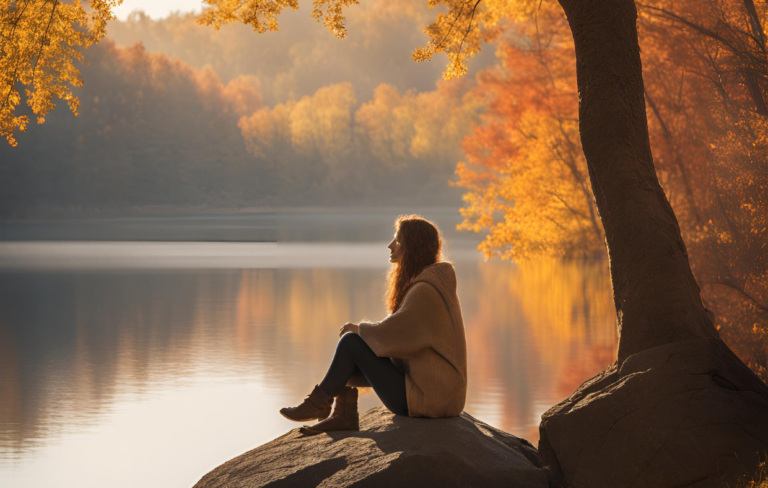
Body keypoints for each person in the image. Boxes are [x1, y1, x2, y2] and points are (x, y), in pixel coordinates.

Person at [279, 214, 468, 434]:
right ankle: (343, 415)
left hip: (430, 399)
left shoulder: (425, 291)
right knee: (347, 362)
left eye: (397, 240)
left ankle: (318, 404)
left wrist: (359, 329)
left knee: (351, 342)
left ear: (412, 246)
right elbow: (400, 335)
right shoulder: (429, 284)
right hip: (438, 393)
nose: (390, 245)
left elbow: (397, 333)